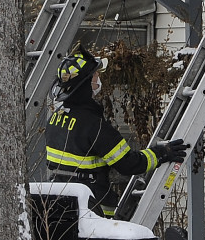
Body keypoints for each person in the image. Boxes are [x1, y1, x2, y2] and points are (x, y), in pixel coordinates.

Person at [45, 46, 189, 217]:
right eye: (96, 75)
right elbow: (127, 164)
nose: (99, 79)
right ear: (86, 83)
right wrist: (161, 153)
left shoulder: (55, 118)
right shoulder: (94, 125)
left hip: (58, 203)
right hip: (93, 209)